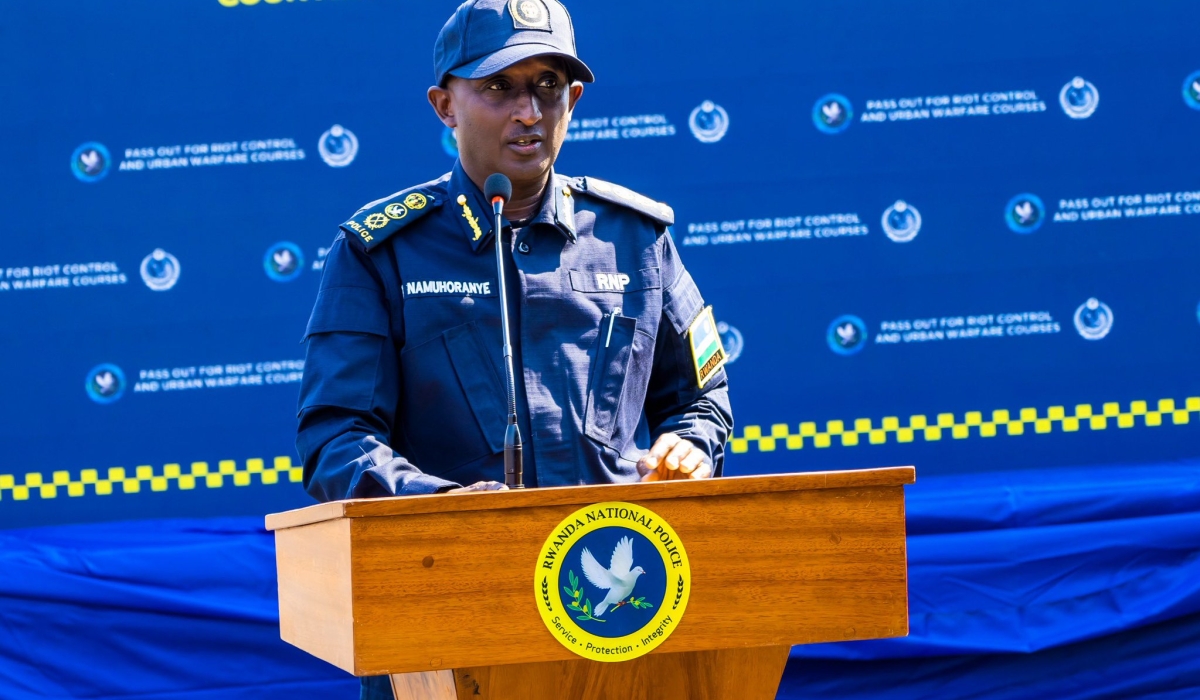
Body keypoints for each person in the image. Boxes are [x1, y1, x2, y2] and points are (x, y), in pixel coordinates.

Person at [295, 1, 733, 694]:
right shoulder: (378, 254)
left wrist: (689, 446)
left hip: (619, 624)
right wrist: (450, 508)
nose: (528, 111)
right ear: (445, 104)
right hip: (449, 617)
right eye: (499, 88)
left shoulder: (637, 240)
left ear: (574, 99)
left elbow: (703, 398)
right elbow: (337, 440)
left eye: (548, 87)